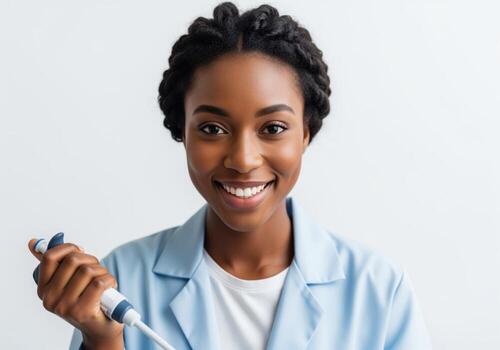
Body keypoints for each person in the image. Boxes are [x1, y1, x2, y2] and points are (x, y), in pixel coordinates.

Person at [28, 2, 433, 349]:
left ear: (306, 133)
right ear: (181, 132)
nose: (242, 159)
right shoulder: (124, 280)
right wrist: (102, 340)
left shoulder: (378, 292)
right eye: (212, 129)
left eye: (273, 128)